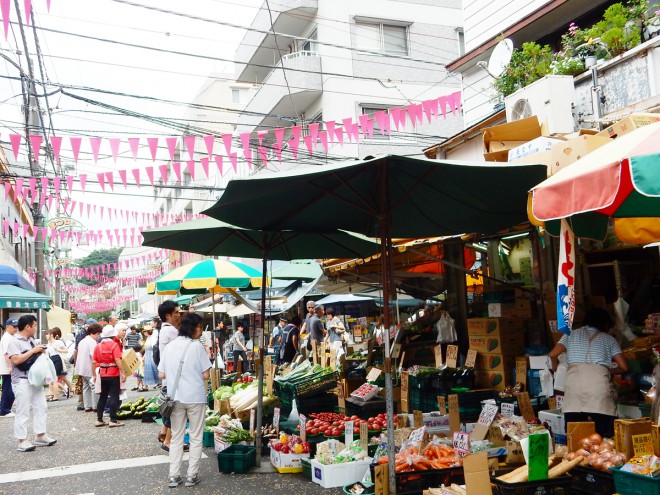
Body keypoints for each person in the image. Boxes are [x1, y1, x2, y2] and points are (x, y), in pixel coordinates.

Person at [549, 307, 628, 438]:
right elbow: (624, 367)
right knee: (604, 437)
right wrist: (610, 371)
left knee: (575, 435)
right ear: (605, 324)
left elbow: (552, 354)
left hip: (574, 388)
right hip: (599, 388)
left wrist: (555, 368)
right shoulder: (609, 339)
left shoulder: (570, 334)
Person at [158, 312, 211, 488]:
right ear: (193, 327)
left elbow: (161, 374)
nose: (201, 332)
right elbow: (206, 374)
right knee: (195, 436)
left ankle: (173, 476)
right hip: (195, 397)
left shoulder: (170, 347)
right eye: (200, 328)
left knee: (176, 437)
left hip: (175, 398)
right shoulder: (197, 347)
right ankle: (191, 476)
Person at [7, 314, 57, 451]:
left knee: (42, 406)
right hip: (22, 380)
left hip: (35, 380)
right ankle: (22, 440)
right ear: (27, 326)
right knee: (23, 411)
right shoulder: (14, 341)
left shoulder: (32, 341)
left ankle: (40, 435)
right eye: (34, 325)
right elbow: (16, 360)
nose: (36, 328)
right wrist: (33, 351)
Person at [158, 300, 182, 451]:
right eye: (177, 313)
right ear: (168, 315)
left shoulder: (164, 329)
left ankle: (163, 433)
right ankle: (168, 442)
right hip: (173, 376)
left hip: (169, 375)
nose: (179, 315)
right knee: (176, 410)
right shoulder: (171, 331)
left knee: (170, 406)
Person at [92, 325, 126, 427]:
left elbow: (94, 362)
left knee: (103, 396)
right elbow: (117, 360)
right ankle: (113, 420)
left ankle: (99, 419)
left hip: (102, 374)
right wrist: (123, 372)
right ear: (112, 336)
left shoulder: (98, 346)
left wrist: (94, 375)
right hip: (114, 373)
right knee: (114, 396)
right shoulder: (114, 345)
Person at [75, 323, 102, 413]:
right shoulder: (92, 342)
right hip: (89, 368)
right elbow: (93, 356)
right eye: (98, 334)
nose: (99, 336)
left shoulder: (82, 341)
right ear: (94, 333)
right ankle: (95, 406)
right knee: (94, 386)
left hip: (81, 368)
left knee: (85, 387)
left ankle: (87, 406)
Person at [46, 328, 73, 401]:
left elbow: (66, 350)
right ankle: (69, 390)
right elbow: (47, 354)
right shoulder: (48, 344)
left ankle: (54, 395)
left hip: (58, 359)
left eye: (47, 334)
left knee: (53, 379)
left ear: (51, 335)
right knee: (62, 377)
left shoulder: (58, 342)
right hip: (51, 360)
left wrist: (58, 350)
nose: (46, 336)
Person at [0, 318, 18, 417]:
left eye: (16, 327)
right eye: (14, 327)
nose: (15, 329)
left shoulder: (9, 337)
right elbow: (6, 353)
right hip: (8, 368)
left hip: (8, 368)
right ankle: (5, 410)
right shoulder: (7, 338)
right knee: (8, 389)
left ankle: (4, 408)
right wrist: (9, 367)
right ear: (7, 327)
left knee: (7, 388)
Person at [142, 325, 159, 391]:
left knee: (154, 369)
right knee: (147, 370)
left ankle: (159, 383)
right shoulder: (148, 338)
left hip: (152, 356)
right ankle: (146, 385)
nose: (144, 333)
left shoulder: (153, 338)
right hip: (148, 355)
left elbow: (154, 348)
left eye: (145, 331)